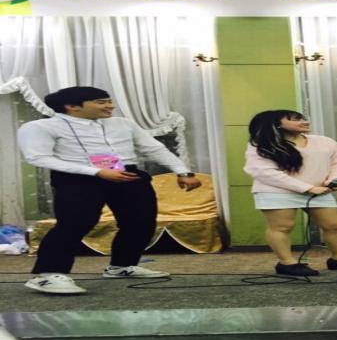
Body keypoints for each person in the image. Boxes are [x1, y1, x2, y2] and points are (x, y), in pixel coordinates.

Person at [17, 86, 201, 295]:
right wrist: (97, 172)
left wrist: (183, 171)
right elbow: (38, 158)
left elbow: (153, 148)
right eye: (101, 102)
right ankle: (48, 275)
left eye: (109, 101)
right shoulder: (40, 127)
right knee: (75, 223)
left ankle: (122, 266)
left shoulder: (122, 123)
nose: (109, 106)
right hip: (78, 177)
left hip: (126, 173)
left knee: (141, 222)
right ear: (72, 106)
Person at [243, 110, 337, 277]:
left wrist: (335, 180)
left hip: (318, 190)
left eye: (304, 119)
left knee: (335, 225)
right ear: (277, 124)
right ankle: (286, 263)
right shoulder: (261, 145)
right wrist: (307, 188)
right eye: (296, 119)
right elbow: (264, 172)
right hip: (277, 191)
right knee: (282, 227)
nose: (305, 122)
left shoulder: (325, 142)